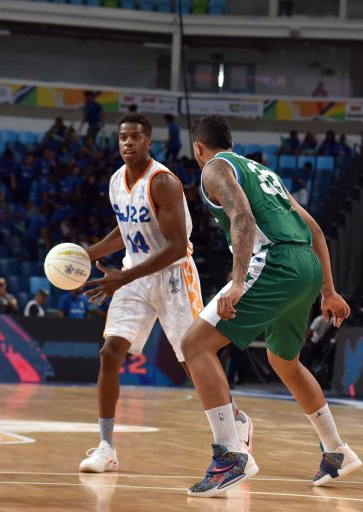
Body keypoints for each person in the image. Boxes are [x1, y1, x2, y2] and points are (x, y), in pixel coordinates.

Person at [181, 114, 360, 498]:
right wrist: (328, 290)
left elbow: (242, 217)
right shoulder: (264, 172)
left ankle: (230, 455)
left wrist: (238, 282)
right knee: (284, 361)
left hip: (274, 263)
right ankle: (336, 450)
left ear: (198, 148)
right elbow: (313, 228)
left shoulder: (214, 169)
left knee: (195, 345)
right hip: (306, 266)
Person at [77, 113, 249, 475]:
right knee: (110, 353)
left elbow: (174, 248)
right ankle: (106, 447)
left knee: (192, 361)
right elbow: (126, 229)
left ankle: (234, 422)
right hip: (135, 275)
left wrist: (121, 277)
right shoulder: (115, 181)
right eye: (123, 137)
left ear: (148, 142)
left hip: (173, 275)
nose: (128, 143)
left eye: (135, 137)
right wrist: (88, 254)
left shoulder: (164, 182)